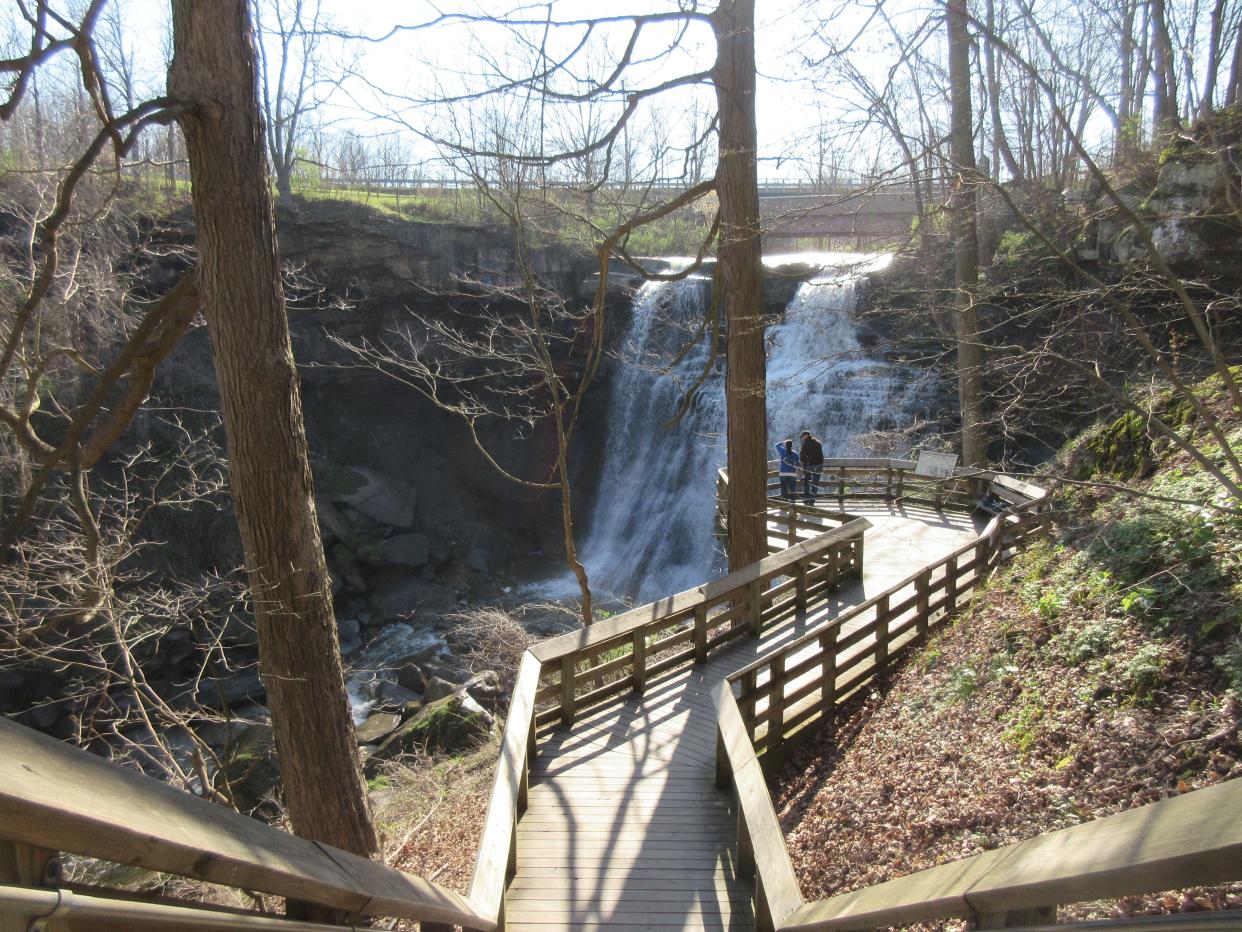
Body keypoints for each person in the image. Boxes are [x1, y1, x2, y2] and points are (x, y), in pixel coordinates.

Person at [799, 429, 824, 505]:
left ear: (806, 436)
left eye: (802, 437)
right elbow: (821, 456)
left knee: (806, 482)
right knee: (815, 483)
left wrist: (804, 464)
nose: (802, 438)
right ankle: (812, 500)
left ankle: (806, 499)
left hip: (809, 466)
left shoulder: (806, 444)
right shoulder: (818, 443)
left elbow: (802, 457)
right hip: (818, 466)